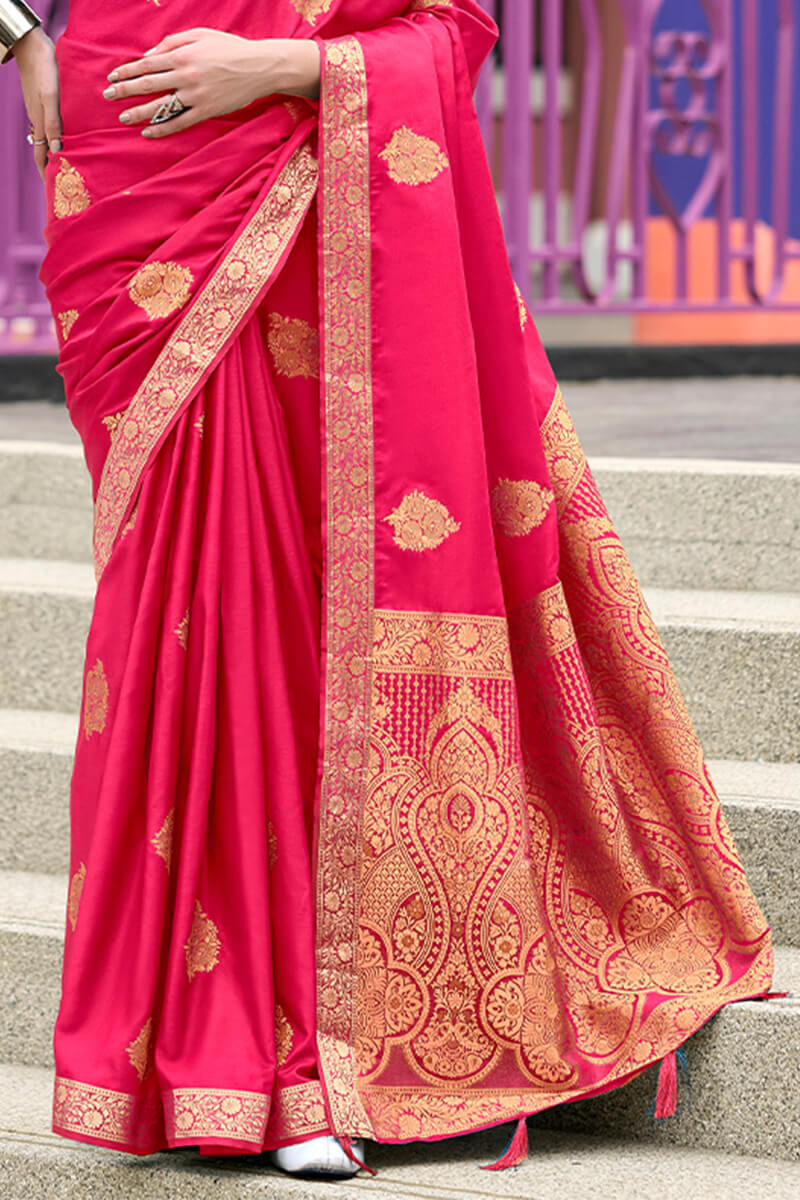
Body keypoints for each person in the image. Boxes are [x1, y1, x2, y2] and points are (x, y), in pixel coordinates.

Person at [5, 0, 773, 1182]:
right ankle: (221, 1054)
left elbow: (454, 22)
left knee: (313, 596)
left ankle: (313, 1059)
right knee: (193, 609)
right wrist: (17, 35)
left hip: (306, 147)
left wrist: (284, 63)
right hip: (136, 160)